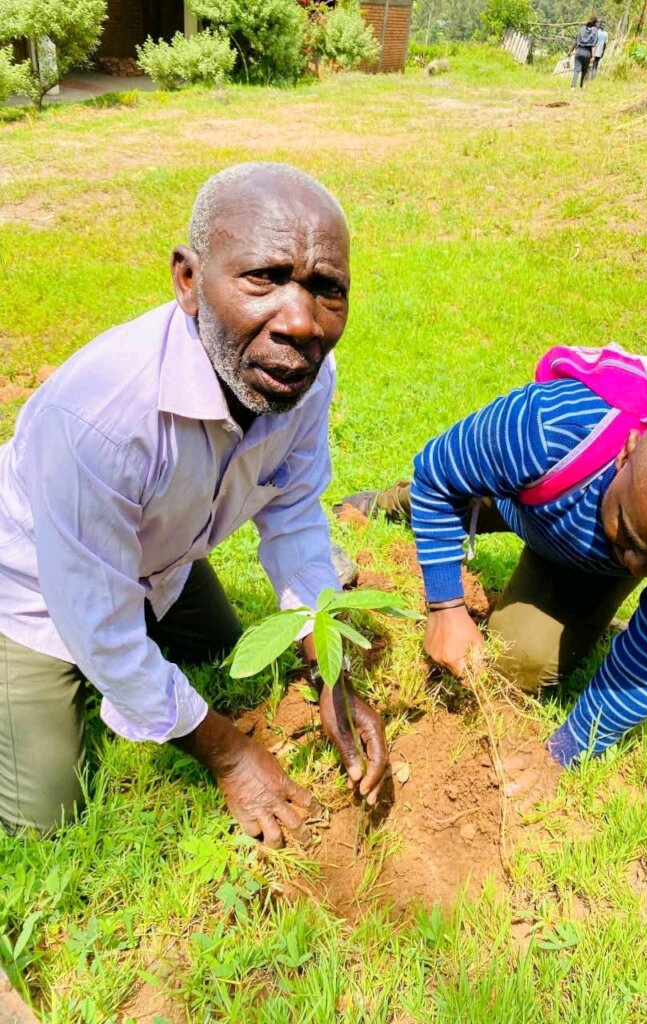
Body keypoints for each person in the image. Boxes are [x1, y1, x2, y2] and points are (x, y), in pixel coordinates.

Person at [0, 162, 388, 843]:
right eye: (264, 278)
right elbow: (99, 622)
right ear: (189, 280)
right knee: (46, 819)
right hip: (30, 587)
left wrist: (330, 668)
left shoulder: (298, 373)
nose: (300, 322)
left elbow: (294, 516)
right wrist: (232, 754)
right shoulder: (102, 417)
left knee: (225, 651)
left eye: (327, 290)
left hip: (158, 556)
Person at [336, 347, 647, 788]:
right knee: (441, 497)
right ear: (627, 452)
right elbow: (440, 478)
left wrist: (565, 751)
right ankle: (386, 502)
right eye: (633, 537)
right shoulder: (551, 427)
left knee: (523, 660)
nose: (639, 568)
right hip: (527, 493)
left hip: (580, 555)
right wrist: (446, 606)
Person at [569, 16, 598, 89]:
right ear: (595, 23)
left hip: (578, 51)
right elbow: (593, 45)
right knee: (584, 70)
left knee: (576, 69)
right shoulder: (595, 31)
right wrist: (593, 56)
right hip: (587, 52)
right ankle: (581, 86)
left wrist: (570, 51)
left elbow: (575, 41)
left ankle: (573, 87)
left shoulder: (582, 29)